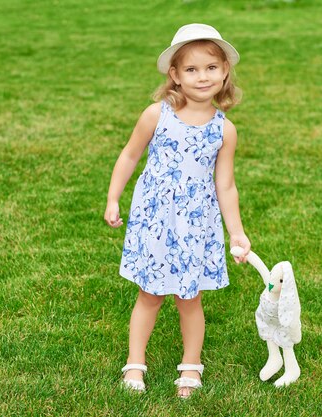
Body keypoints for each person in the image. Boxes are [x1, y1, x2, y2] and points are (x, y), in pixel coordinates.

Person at [104, 23, 251, 398]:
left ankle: (191, 365)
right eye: (191, 69)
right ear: (174, 75)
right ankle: (135, 362)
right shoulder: (157, 115)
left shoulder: (224, 130)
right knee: (149, 294)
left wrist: (236, 231)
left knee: (190, 297)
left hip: (196, 224)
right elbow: (129, 155)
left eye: (211, 68)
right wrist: (113, 197)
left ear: (224, 72)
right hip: (155, 220)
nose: (202, 77)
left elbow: (226, 186)